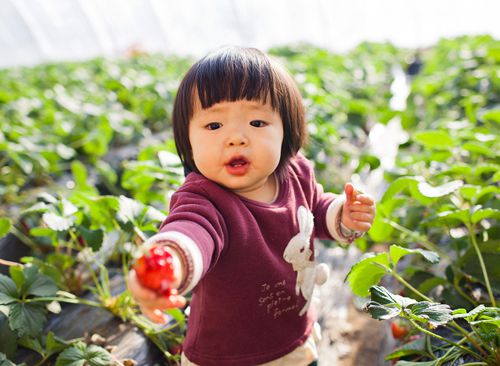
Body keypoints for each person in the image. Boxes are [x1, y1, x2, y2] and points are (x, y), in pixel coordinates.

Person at [128, 46, 376, 366]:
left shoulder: (296, 172)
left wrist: (342, 213)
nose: (236, 138)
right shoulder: (204, 201)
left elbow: (314, 208)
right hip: (226, 356)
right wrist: (164, 267)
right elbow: (189, 235)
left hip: (295, 337)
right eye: (214, 126)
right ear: (187, 140)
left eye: (257, 122)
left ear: (286, 129)